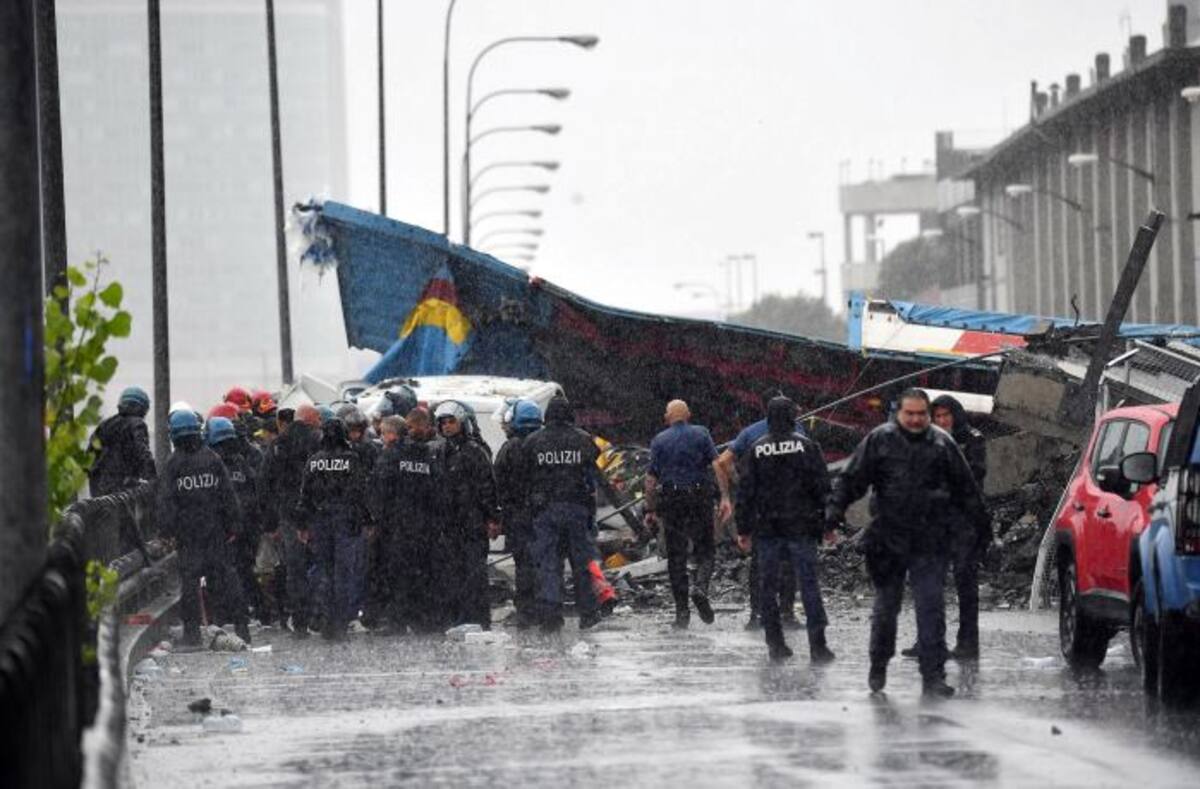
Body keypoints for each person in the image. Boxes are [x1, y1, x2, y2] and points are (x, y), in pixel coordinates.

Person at [827, 388, 988, 698]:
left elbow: (967, 489)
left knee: (931, 607)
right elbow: (851, 480)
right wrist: (833, 513)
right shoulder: (879, 441)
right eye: (909, 414)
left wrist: (982, 529)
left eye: (921, 415)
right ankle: (879, 663)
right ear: (899, 414)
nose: (916, 420)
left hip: (930, 541)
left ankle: (933, 675)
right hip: (889, 539)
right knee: (887, 608)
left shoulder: (943, 444)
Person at [735, 397, 836, 663]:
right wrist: (829, 525)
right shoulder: (807, 446)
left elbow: (745, 494)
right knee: (809, 585)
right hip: (801, 527)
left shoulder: (756, 450)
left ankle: (775, 644)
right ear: (792, 417)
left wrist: (743, 529)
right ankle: (818, 645)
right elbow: (822, 488)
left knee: (767, 587)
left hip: (768, 529)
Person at [901, 394, 991, 661]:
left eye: (945, 416)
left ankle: (967, 643)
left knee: (965, 582)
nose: (941, 421)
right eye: (937, 416)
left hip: (964, 521)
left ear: (955, 416)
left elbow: (975, 475)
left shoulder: (973, 439)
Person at [156, 410, 250, 646]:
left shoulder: (173, 464)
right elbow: (228, 495)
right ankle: (240, 626)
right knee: (227, 578)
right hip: (215, 531)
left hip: (188, 536)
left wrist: (166, 531)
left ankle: (192, 633)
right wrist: (234, 525)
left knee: (190, 584)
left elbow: (165, 501)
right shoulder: (212, 459)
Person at [713, 402, 805, 631]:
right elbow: (814, 476)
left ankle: (757, 614)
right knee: (789, 563)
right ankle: (786, 614)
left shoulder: (753, 437)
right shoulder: (800, 435)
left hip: (762, 509)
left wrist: (738, 484)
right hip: (792, 508)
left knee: (759, 564)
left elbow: (724, 462)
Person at [521, 396, 604, 631]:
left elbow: (525, 477)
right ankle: (588, 613)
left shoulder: (532, 442)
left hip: (545, 511)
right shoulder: (584, 440)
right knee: (583, 562)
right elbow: (592, 475)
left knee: (548, 563)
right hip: (578, 509)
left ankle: (551, 614)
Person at [644, 400, 724, 628]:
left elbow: (650, 481)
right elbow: (717, 465)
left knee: (676, 557)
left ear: (667, 417)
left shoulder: (659, 440)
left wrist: (650, 510)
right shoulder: (701, 434)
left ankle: (682, 614)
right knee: (706, 549)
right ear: (688, 414)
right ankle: (700, 587)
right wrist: (724, 497)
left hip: (672, 501)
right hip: (699, 498)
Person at [295, 417, 371, 640]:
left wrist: (302, 524)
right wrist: (367, 520)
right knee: (344, 573)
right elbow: (360, 493)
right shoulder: (352, 459)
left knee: (324, 572)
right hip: (345, 521)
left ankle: (325, 619)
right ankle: (341, 620)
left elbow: (305, 495)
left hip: (320, 522)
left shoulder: (314, 461)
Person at [369, 411, 444, 632]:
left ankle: (397, 621)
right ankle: (423, 620)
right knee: (422, 573)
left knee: (396, 575)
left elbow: (378, 492)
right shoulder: (425, 454)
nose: (382, 438)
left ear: (392, 434)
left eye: (383, 433)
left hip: (396, 527)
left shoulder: (390, 456)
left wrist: (377, 521)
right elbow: (438, 489)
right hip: (424, 526)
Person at [436, 401, 500, 629]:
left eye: (451, 421)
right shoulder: (442, 451)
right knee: (453, 572)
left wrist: (492, 518)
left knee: (474, 572)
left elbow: (487, 486)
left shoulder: (475, 451)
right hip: (449, 523)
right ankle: (457, 618)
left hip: (472, 520)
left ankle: (478, 619)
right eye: (443, 422)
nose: (447, 426)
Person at [261, 403, 322, 637]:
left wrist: (270, 522)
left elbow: (264, 484)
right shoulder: (318, 441)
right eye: (317, 417)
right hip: (316, 513)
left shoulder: (278, 445)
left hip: (289, 516)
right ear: (309, 419)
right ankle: (321, 616)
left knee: (294, 570)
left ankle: (299, 622)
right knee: (321, 564)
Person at [206, 416, 263, 624]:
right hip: (241, 527)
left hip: (229, 528)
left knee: (228, 573)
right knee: (242, 571)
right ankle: (247, 613)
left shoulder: (215, 463)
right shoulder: (240, 461)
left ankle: (229, 615)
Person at [494, 400, 544, 627]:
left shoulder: (510, 448)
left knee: (523, 564)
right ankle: (546, 608)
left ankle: (526, 611)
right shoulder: (544, 443)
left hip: (518, 516)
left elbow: (498, 483)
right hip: (543, 515)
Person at [88, 386, 157, 497]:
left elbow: (89, 455)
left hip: (97, 489)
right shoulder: (137, 424)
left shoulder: (105, 425)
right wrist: (154, 480)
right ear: (141, 408)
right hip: (121, 487)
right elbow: (143, 454)